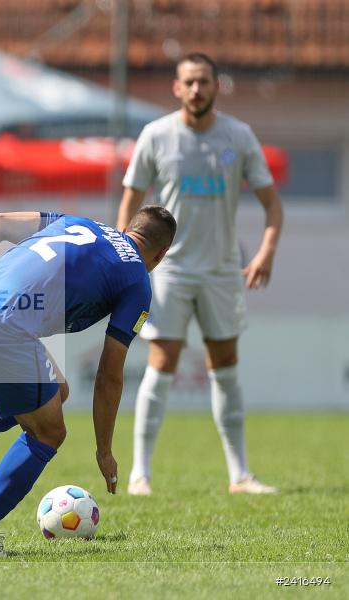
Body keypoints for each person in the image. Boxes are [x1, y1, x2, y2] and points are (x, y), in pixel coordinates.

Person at [0, 207, 176, 556]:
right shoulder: (137, 281)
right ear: (161, 254)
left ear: (125, 228)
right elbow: (109, 375)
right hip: (3, 326)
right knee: (49, 432)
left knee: (57, 391)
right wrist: (105, 451)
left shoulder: (80, 221)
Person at [118, 52, 283, 496]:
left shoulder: (240, 136)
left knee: (225, 365)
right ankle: (140, 475)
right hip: (169, 270)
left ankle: (240, 475)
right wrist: (124, 255)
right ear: (177, 87)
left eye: (204, 82)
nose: (196, 90)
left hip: (222, 271)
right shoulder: (156, 135)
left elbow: (272, 205)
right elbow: (131, 202)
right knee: (162, 361)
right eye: (189, 82)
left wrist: (266, 250)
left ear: (216, 86)